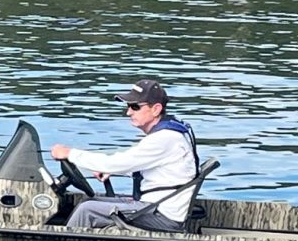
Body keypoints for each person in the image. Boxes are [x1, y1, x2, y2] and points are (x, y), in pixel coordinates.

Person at [50, 79, 200, 232]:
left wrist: (70, 154)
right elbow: (150, 166)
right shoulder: (169, 135)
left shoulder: (165, 138)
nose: (129, 112)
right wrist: (111, 171)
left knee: (87, 210)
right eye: (128, 106)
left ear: (156, 109)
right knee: (87, 202)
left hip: (162, 214)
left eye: (135, 107)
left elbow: (117, 163)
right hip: (158, 207)